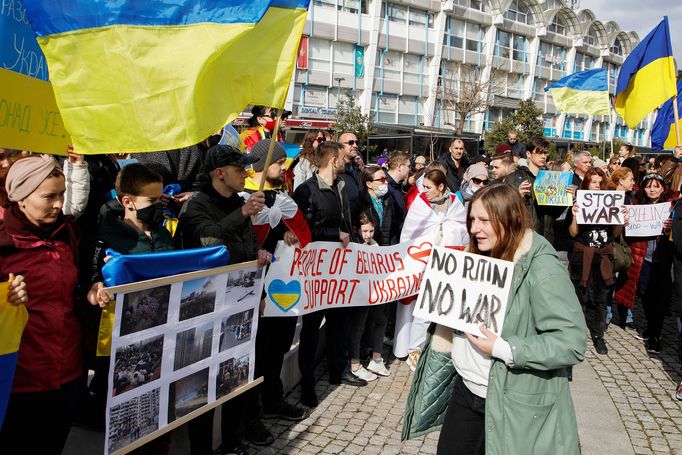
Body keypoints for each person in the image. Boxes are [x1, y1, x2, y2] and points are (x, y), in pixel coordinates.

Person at [405, 183, 586, 455]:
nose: (474, 228)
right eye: (472, 220)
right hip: (466, 390)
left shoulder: (542, 267)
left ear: (509, 219)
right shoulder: (473, 257)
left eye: (484, 221)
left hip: (512, 396)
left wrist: (503, 349)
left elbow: (570, 342)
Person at [178, 144, 273, 453]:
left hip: (239, 307)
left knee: (235, 378)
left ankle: (233, 442)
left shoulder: (240, 202)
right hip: (205, 313)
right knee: (202, 387)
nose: (246, 173)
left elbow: (249, 243)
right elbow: (208, 242)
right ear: (219, 173)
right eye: (238, 168)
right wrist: (243, 212)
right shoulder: (197, 206)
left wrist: (259, 254)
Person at [0, 155, 83, 453]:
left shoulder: (67, 232)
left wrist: (92, 289)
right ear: (20, 198)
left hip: (67, 375)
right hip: (18, 383)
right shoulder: (3, 242)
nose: (59, 204)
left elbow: (76, 289)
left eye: (62, 194)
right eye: (49, 196)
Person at [242, 140, 310, 421]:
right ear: (261, 164)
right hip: (254, 291)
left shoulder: (281, 197)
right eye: (279, 162)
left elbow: (302, 234)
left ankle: (273, 398)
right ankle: (253, 412)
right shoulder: (243, 200)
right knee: (258, 350)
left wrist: (286, 234)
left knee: (278, 346)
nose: (284, 167)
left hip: (282, 285)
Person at [293, 141, 363, 407]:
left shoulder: (343, 186)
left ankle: (337, 371)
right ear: (334, 160)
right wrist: (335, 235)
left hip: (339, 272)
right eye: (343, 157)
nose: (347, 160)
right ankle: (307, 385)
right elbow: (304, 233)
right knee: (311, 328)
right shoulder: (306, 191)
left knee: (339, 324)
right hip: (316, 275)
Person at [394, 169, 468, 366]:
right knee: (423, 309)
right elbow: (410, 233)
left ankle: (439, 347)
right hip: (425, 264)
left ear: (441, 187)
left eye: (428, 187)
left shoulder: (455, 202)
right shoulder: (420, 203)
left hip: (448, 264)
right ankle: (415, 350)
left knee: (444, 307)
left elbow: (462, 227)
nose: (424, 190)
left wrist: (447, 231)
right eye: (423, 186)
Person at [567, 168, 626, 355]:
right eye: (593, 182)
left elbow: (615, 235)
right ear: (587, 184)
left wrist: (620, 220)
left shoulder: (610, 203)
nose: (598, 186)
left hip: (603, 257)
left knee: (601, 299)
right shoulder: (579, 201)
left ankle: (598, 335)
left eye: (600, 183)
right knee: (579, 297)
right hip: (581, 257)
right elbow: (573, 233)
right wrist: (575, 216)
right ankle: (577, 334)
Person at [628, 174, 676, 353]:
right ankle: (651, 326)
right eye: (648, 186)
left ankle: (655, 333)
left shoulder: (671, 208)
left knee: (661, 297)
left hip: (663, 260)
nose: (652, 189)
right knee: (645, 295)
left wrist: (671, 228)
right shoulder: (637, 206)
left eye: (656, 186)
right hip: (643, 258)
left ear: (663, 188)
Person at [504, 137, 561, 243]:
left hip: (546, 239)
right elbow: (504, 208)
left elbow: (555, 213)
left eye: (545, 153)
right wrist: (518, 196)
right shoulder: (514, 177)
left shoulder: (550, 178)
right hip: (522, 237)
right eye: (539, 153)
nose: (543, 156)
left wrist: (565, 198)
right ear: (528, 154)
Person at [384, 150, 411, 225]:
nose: (410, 169)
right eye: (408, 166)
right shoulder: (384, 187)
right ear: (400, 167)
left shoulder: (396, 186)